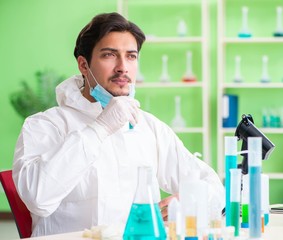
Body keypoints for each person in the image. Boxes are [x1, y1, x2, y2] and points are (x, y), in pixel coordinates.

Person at [12, 12, 224, 237]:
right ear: (84, 65)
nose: (123, 67)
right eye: (109, 55)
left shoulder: (148, 127)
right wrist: (100, 129)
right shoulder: (46, 125)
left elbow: (211, 186)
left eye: (131, 56)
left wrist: (188, 202)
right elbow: (37, 198)